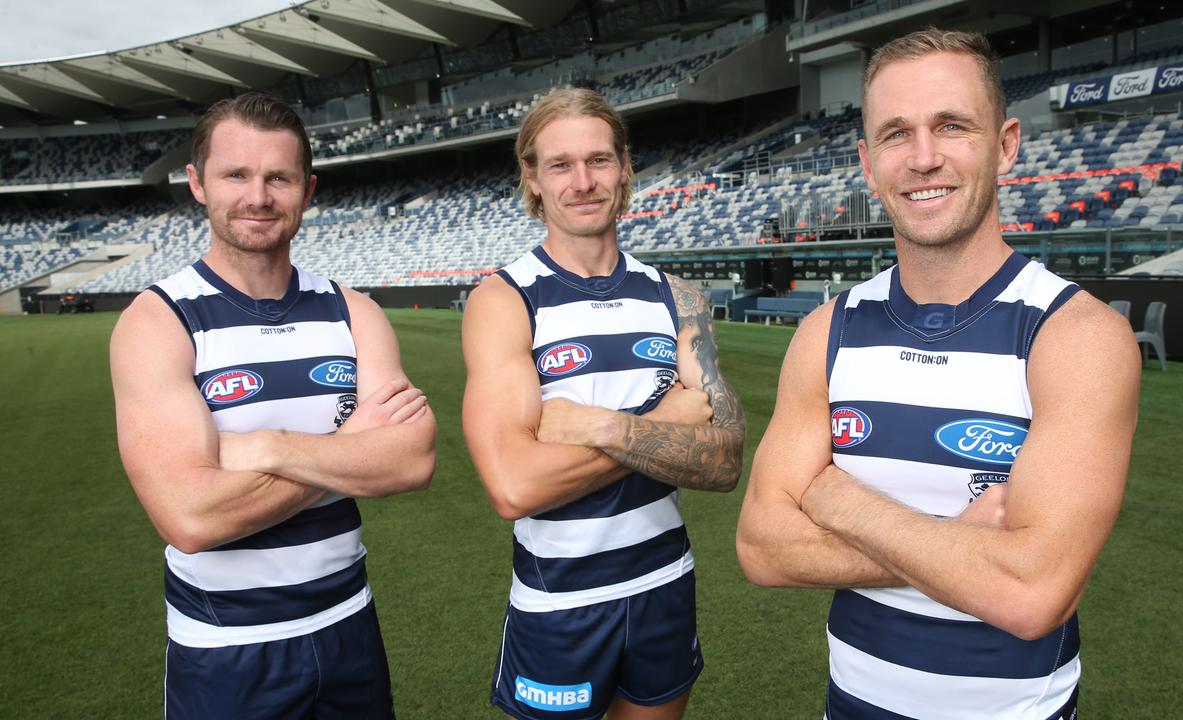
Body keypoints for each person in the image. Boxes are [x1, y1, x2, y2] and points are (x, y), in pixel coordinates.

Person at [736, 28, 1140, 720]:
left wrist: (841, 503)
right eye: (896, 134)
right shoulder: (826, 333)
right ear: (867, 162)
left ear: (1006, 143)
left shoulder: (1075, 337)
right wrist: (964, 545)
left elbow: (1032, 594)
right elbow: (763, 547)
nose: (924, 159)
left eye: (952, 126)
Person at [110, 91, 436, 719]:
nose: (258, 196)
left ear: (307, 190)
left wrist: (268, 448)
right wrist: (348, 452)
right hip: (228, 648)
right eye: (236, 174)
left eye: (278, 177)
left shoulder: (352, 310)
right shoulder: (158, 321)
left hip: (350, 628)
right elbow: (191, 518)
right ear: (198, 183)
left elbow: (411, 461)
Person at [461, 87, 746, 720]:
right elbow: (514, 486)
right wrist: (663, 427)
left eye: (599, 161)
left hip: (664, 584)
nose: (583, 181)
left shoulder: (678, 299)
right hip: (559, 601)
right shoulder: (506, 301)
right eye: (560, 165)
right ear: (532, 179)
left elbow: (724, 462)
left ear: (623, 169)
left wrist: (598, 427)